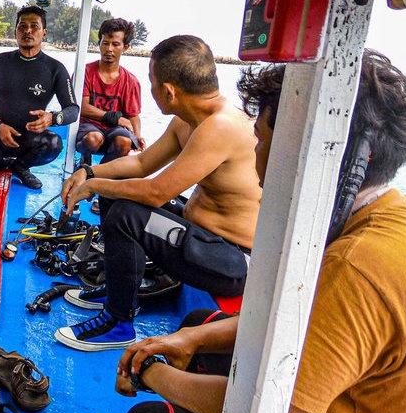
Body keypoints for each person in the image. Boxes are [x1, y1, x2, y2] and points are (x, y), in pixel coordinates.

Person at [114, 50, 406, 413]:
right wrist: (190, 338)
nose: (255, 158)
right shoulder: (392, 215)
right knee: (198, 326)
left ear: (316, 154)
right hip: (353, 389)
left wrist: (150, 372)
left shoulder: (355, 265)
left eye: (261, 142)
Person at [56, 35, 261, 351]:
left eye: (152, 82)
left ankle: (118, 323)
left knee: (127, 215)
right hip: (203, 235)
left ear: (169, 91)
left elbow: (155, 191)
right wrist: (90, 172)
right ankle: (119, 290)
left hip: (230, 260)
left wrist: (94, 187)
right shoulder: (189, 119)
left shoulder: (221, 126)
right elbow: (140, 163)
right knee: (118, 195)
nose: (150, 90)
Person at [0, 5, 80, 190]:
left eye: (34, 26)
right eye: (22, 26)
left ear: (44, 33)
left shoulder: (55, 69)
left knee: (54, 144)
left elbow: (73, 109)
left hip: (29, 138)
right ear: (15, 32)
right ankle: (0, 161)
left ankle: (21, 167)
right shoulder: (0, 61)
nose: (28, 31)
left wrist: (52, 118)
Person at [77, 18, 145, 214]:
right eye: (105, 43)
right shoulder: (86, 72)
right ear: (99, 43)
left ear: (126, 47)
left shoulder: (130, 81)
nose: (109, 49)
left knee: (125, 142)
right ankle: (84, 161)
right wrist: (115, 118)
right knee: (94, 138)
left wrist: (138, 136)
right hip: (89, 128)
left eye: (115, 44)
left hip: (113, 133)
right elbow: (83, 107)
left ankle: (97, 183)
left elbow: (133, 116)